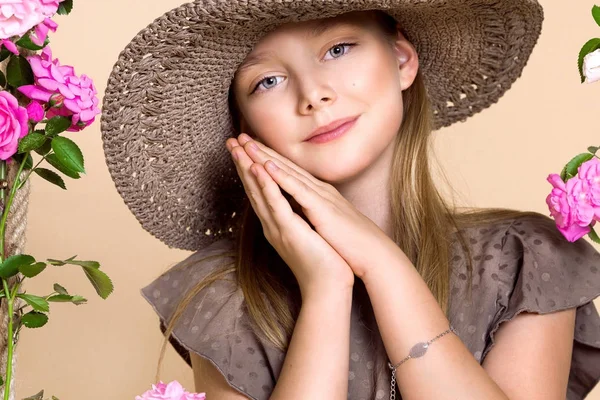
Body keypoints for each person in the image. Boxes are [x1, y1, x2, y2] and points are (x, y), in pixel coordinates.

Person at [100, 1, 600, 399]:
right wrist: (326, 287)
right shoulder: (220, 296)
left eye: (338, 49)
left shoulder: (526, 261)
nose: (313, 95)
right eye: (267, 81)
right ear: (245, 127)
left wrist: (382, 263)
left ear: (402, 60)